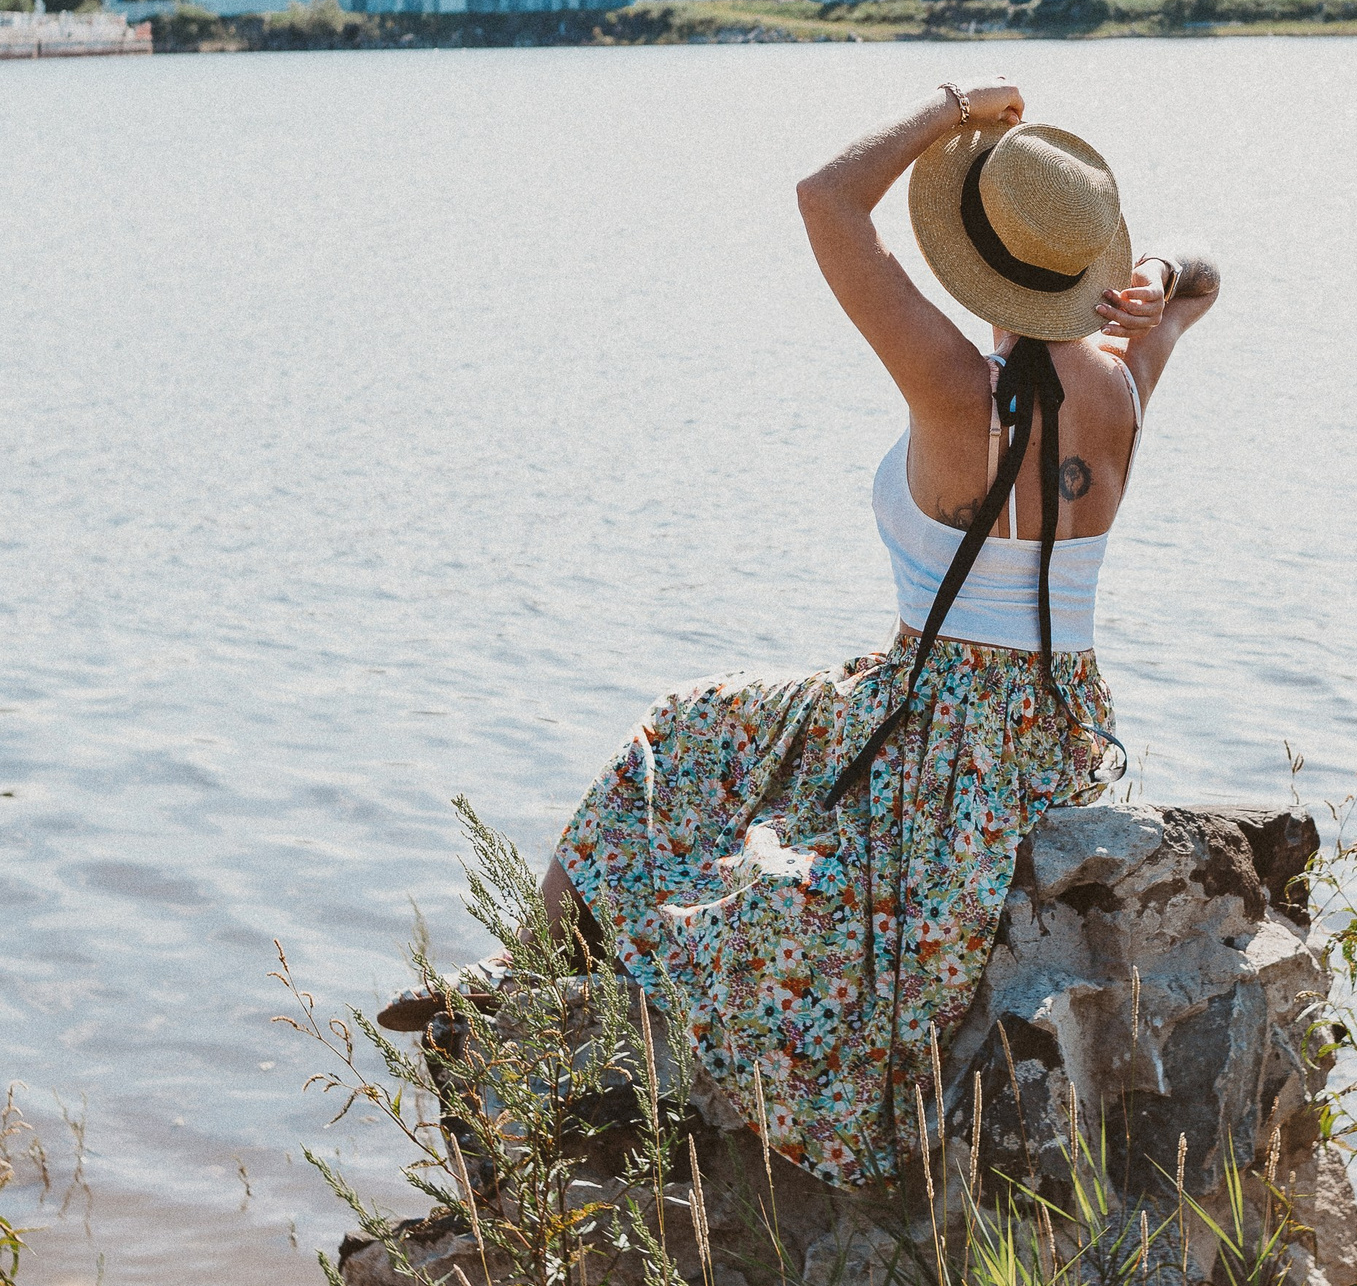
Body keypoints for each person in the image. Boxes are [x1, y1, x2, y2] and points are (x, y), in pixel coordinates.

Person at [380, 78, 1220, 1192]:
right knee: (714, 716)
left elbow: (827, 199)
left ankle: (527, 975)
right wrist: (1153, 276)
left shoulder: (955, 388)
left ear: (976, 255)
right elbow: (1202, 274)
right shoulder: (1122, 384)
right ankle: (521, 970)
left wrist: (950, 108)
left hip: (931, 728)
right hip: (1051, 736)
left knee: (677, 734)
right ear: (1082, 268)